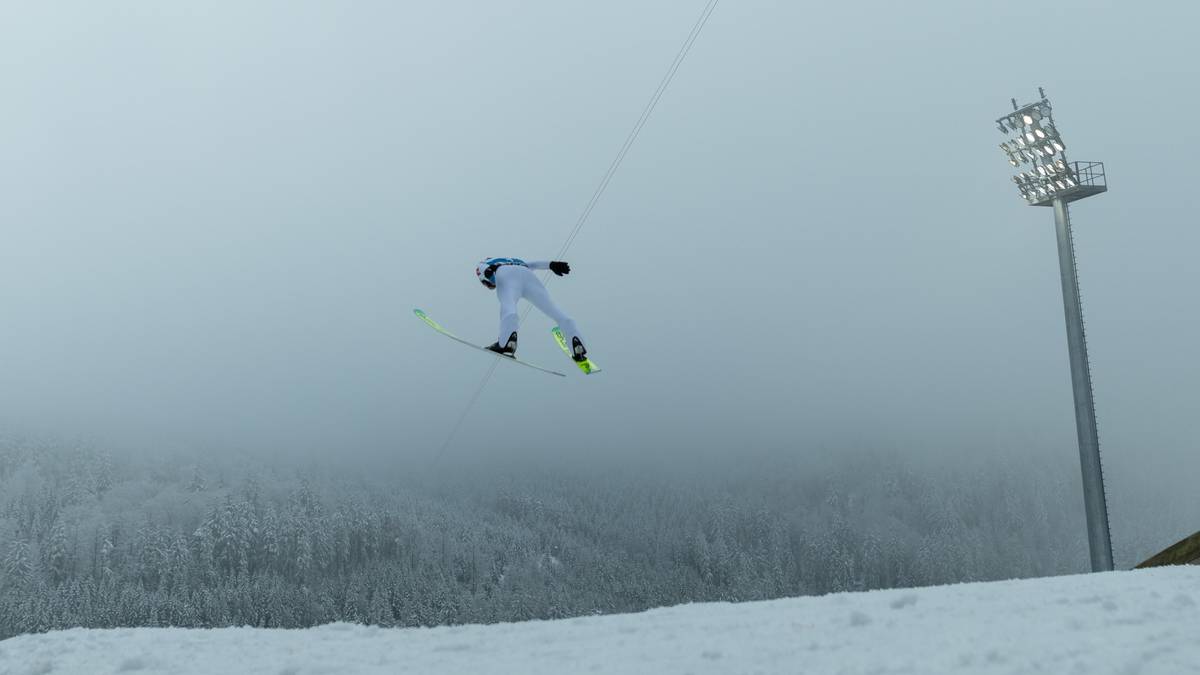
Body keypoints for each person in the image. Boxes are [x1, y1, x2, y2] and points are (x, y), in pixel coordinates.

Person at [475, 257, 588, 362]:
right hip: (528, 275)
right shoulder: (513, 260)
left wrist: (488, 271)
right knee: (555, 311)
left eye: (488, 284)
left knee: (508, 306)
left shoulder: (487, 264)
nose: (491, 286)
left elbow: (482, 268)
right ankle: (577, 346)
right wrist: (551, 264)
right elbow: (533, 264)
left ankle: (506, 343)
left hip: (506, 273)